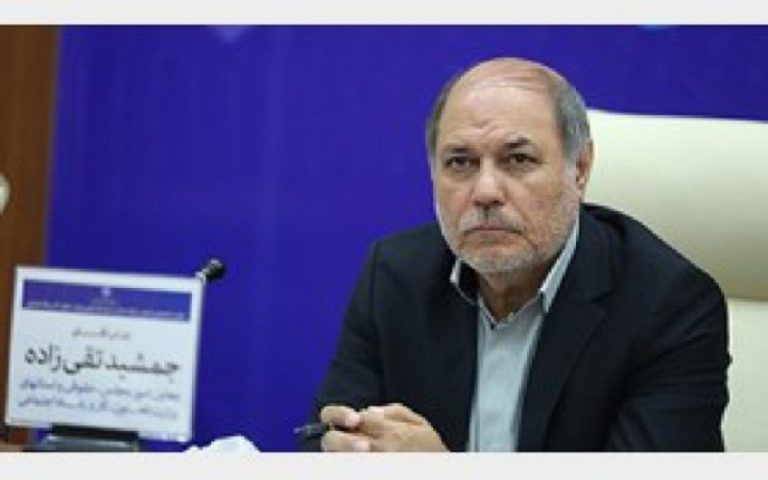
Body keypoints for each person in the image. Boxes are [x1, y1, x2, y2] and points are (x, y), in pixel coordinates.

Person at [300, 57, 730, 452]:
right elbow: (325, 438)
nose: (485, 191)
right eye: (460, 163)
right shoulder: (395, 275)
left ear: (580, 169)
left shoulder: (669, 304)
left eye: (518, 159)